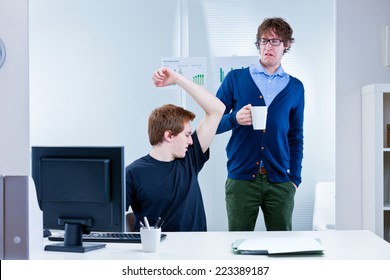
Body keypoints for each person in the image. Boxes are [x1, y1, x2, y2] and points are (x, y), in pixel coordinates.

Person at [216, 17, 304, 231]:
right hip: (241, 179)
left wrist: (294, 179)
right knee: (238, 244)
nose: (268, 46)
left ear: (286, 45)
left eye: (275, 41)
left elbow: (296, 136)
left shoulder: (295, 87)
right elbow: (213, 123)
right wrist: (234, 118)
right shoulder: (235, 78)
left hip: (280, 182)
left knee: (283, 247)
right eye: (264, 41)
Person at [125, 67, 225, 232]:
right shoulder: (133, 173)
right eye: (186, 134)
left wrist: (178, 79)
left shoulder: (189, 158)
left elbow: (217, 110)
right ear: (169, 136)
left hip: (196, 250)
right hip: (156, 252)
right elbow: (109, 217)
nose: (191, 141)